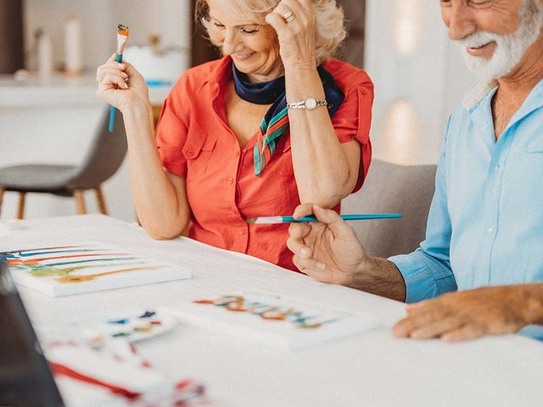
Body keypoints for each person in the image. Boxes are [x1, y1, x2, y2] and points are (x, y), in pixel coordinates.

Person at [287, 0, 543, 341]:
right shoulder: (465, 120)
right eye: (448, 3)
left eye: (479, 1)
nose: (456, 28)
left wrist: (520, 303)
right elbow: (443, 264)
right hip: (471, 363)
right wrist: (361, 272)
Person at [96, 0, 373, 272]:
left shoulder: (347, 87)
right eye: (219, 24)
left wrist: (300, 63)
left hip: (292, 284)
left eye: (249, 30)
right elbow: (162, 224)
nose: (228, 46)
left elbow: (321, 193)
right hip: (206, 276)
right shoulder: (193, 88)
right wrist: (135, 112)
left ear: (298, 22)